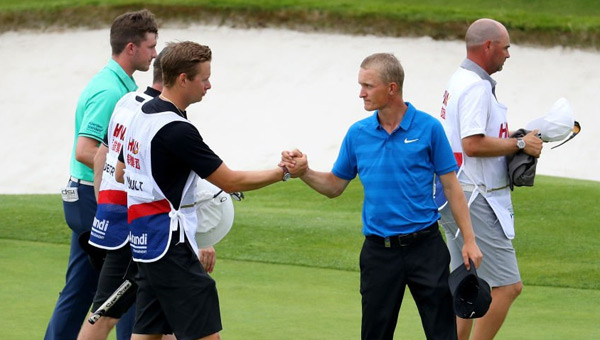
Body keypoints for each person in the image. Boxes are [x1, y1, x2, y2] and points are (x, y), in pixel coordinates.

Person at [281, 53, 482, 340]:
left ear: (392, 88)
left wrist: (469, 241)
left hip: (425, 248)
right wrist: (305, 172)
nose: (361, 93)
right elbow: (335, 186)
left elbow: (451, 186)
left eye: (368, 85)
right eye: (360, 85)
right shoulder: (358, 133)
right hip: (378, 253)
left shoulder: (429, 128)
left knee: (442, 333)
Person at [118, 41, 294, 340]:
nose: (209, 85)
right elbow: (231, 181)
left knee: (148, 332)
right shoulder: (176, 129)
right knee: (204, 330)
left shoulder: (142, 113)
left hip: (145, 241)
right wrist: (285, 172)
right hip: (168, 245)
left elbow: (123, 172)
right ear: (183, 79)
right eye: (204, 78)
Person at [78, 48, 214, 340]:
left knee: (154, 320)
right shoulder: (161, 119)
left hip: (117, 219)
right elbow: (165, 185)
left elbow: (104, 157)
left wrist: (104, 208)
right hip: (140, 231)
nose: (207, 86)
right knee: (106, 314)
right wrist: (199, 238)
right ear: (179, 78)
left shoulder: (127, 102)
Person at [47, 9, 158, 340]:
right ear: (130, 48)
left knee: (83, 289)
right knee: (126, 281)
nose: (155, 54)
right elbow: (86, 148)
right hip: (90, 198)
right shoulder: (110, 91)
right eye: (151, 47)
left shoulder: (119, 84)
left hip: (87, 196)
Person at [438, 18, 543, 340]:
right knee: (509, 286)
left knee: (465, 283)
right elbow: (472, 144)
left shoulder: (460, 79)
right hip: (475, 197)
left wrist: (511, 138)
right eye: (506, 47)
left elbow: (472, 138)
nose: (508, 55)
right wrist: (521, 144)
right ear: (488, 47)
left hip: (456, 191)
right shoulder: (475, 87)